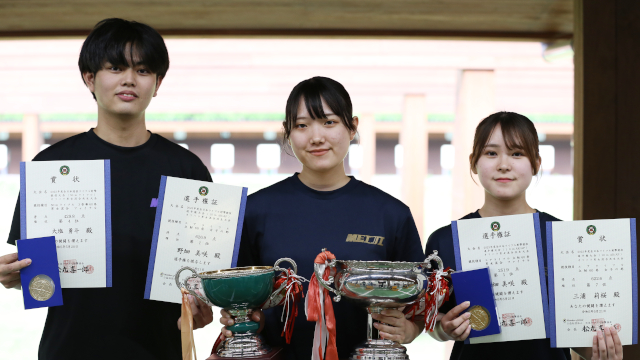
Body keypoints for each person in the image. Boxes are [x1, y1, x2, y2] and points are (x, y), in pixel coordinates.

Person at [0, 18, 213, 360]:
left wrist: (200, 303)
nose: (129, 79)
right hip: (68, 350)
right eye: (115, 67)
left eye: (143, 70)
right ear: (90, 78)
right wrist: (15, 276)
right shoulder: (50, 167)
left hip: (160, 351)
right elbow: (38, 278)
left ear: (157, 84)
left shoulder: (187, 170)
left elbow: (199, 276)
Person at [218, 76, 426, 359]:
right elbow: (245, 302)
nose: (316, 137)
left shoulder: (391, 213)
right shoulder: (255, 210)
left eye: (329, 122)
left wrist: (408, 330)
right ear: (288, 132)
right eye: (302, 125)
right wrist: (245, 321)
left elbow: (420, 307)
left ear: (352, 127)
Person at [424, 111, 623, 360]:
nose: (504, 164)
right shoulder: (445, 240)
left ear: (536, 163)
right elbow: (432, 320)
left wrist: (599, 351)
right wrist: (445, 329)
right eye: (491, 153)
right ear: (473, 161)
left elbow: (576, 330)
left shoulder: (563, 238)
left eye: (517, 153)